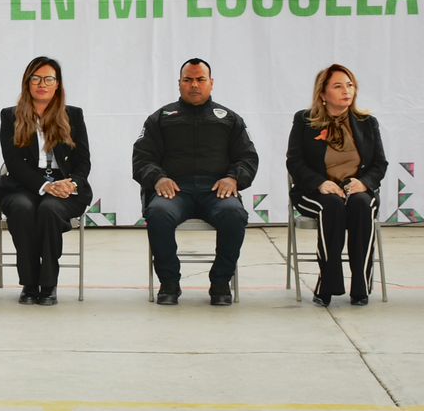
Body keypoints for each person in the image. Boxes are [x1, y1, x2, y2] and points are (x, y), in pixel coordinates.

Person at [133, 58, 259, 306]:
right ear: (179, 84)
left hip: (216, 191)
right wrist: (158, 178)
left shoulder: (229, 119)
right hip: (175, 191)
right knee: (158, 213)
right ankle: (169, 283)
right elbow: (142, 158)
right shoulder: (161, 118)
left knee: (234, 215)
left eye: (200, 79)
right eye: (188, 80)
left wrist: (233, 178)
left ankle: (220, 282)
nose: (194, 85)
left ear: (211, 83)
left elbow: (248, 158)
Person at [286, 64, 388, 307]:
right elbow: (295, 161)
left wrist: (364, 183)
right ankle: (328, 285)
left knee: (361, 206)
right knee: (331, 207)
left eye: (350, 85)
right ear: (323, 94)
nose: (346, 91)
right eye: (338, 86)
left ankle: (360, 286)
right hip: (315, 191)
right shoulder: (304, 120)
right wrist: (320, 183)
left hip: (355, 189)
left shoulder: (367, 122)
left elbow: (379, 164)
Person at [0, 56, 91, 306]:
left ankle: (48, 284)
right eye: (36, 78)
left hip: (65, 185)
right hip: (23, 185)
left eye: (49, 78)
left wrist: (72, 183)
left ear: (58, 84)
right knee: (22, 208)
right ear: (27, 83)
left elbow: (83, 161)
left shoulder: (73, 115)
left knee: (50, 209)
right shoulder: (10, 116)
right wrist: (45, 186)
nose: (42, 84)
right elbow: (14, 163)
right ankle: (29, 284)